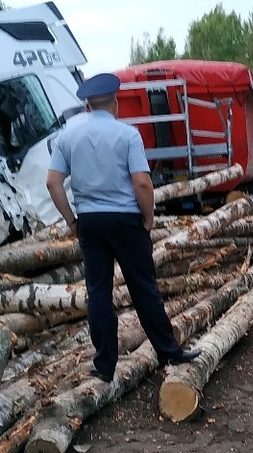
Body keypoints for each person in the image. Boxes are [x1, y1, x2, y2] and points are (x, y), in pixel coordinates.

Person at [46, 72, 201, 381]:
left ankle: (104, 365)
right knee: (143, 287)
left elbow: (53, 183)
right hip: (125, 220)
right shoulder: (128, 135)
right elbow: (142, 182)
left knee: (99, 292)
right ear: (114, 103)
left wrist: (72, 221)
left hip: (91, 221)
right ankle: (168, 351)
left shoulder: (67, 137)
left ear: (88, 105)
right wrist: (148, 217)